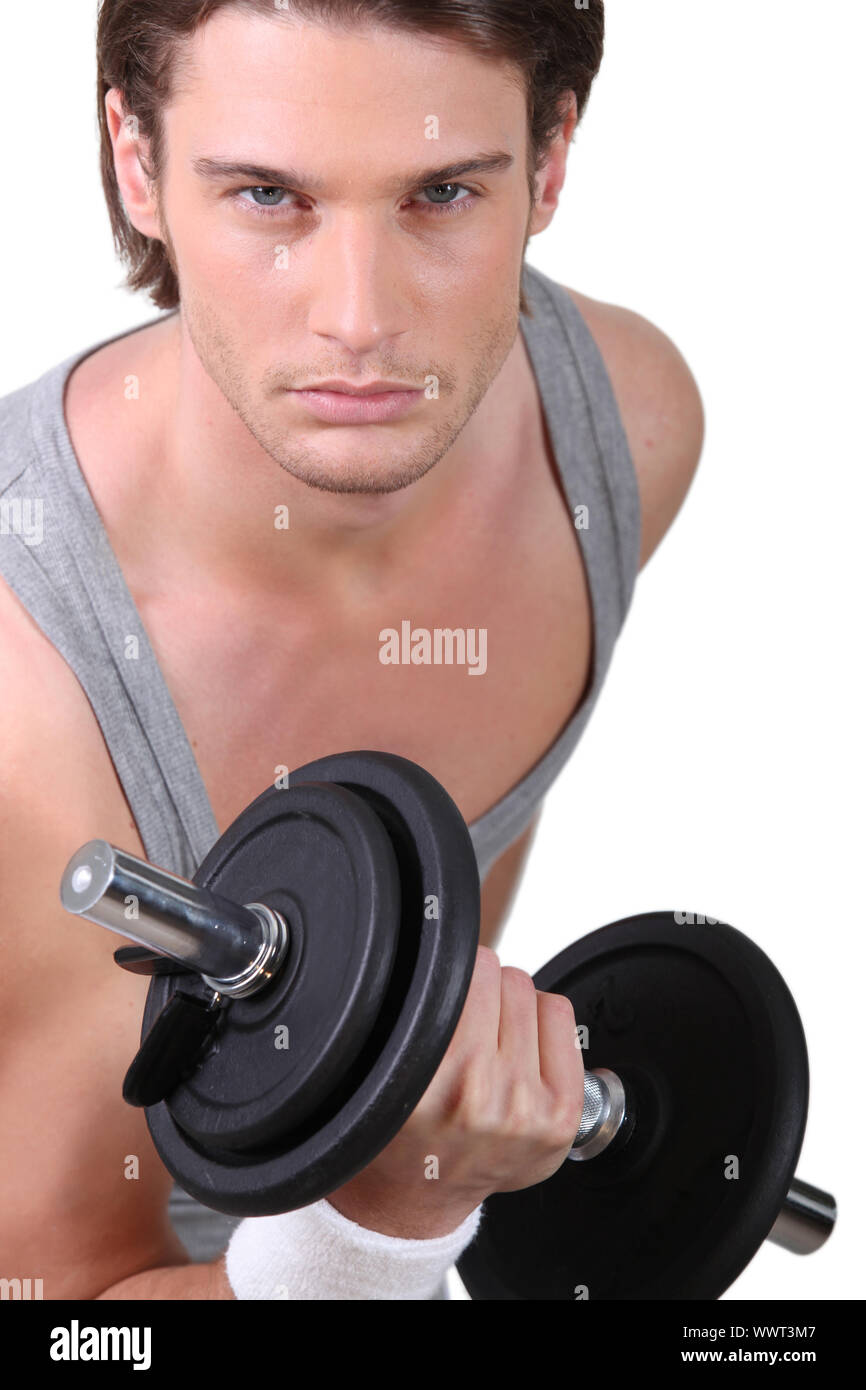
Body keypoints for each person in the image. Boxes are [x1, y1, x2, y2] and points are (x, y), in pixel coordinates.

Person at [0, 0, 703, 1299]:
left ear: (549, 160)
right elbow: (78, 1317)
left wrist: (429, 1159)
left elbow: (415, 994)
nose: (359, 320)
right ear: (138, 166)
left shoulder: (626, 430)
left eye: (440, 192)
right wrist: (376, 1228)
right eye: (269, 195)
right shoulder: (19, 696)